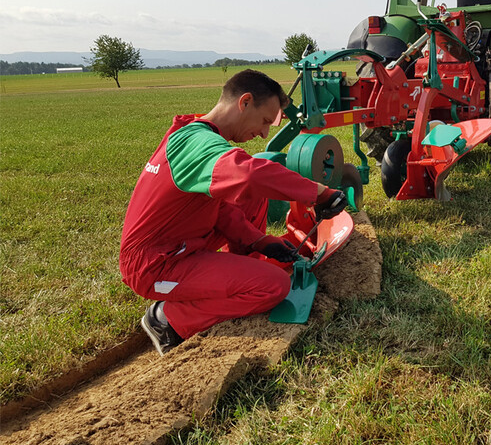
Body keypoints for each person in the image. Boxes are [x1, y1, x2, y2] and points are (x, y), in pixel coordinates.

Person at [119, 69, 347, 355]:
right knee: (273, 287)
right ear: (245, 102)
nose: (264, 133)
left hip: (181, 245)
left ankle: (240, 273)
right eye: (265, 121)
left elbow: (222, 210)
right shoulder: (194, 144)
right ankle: (168, 320)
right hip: (154, 265)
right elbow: (248, 174)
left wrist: (260, 242)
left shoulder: (198, 135)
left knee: (250, 198)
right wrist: (319, 193)